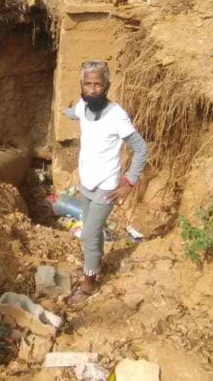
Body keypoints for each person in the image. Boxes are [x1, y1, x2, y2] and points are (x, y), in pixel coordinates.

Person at [62, 60, 148, 304]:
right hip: (86, 182)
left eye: (97, 84)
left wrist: (129, 182)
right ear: (82, 85)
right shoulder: (83, 106)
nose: (92, 89)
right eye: (87, 84)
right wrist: (65, 112)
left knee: (88, 234)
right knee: (91, 228)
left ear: (107, 86)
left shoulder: (117, 116)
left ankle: (89, 284)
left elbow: (141, 149)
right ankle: (96, 262)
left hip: (107, 186)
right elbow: (75, 112)